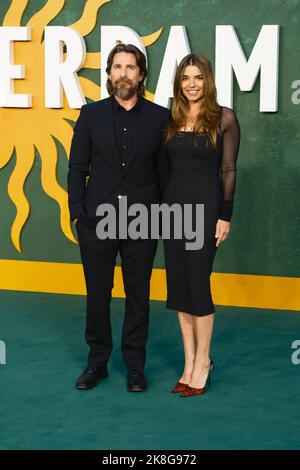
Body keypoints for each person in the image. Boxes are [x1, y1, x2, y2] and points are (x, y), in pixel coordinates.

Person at [67, 44, 170, 392]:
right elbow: (77, 168)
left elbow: (164, 175)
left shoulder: (159, 118)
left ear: (141, 75)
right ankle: (97, 362)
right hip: (96, 220)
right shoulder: (90, 114)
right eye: (117, 67)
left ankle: (135, 366)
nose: (123, 73)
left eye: (131, 67)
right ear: (109, 74)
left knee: (138, 295)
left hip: (143, 220)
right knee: (98, 293)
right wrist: (78, 214)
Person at [163, 53, 240, 397]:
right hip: (172, 210)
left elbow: (228, 169)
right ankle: (189, 360)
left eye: (197, 77)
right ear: (178, 83)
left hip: (206, 210)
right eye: (185, 78)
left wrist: (226, 214)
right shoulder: (170, 118)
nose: (191, 84)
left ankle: (204, 361)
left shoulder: (224, 118)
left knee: (198, 283)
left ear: (207, 80)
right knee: (179, 287)